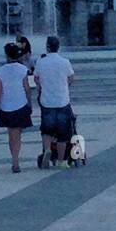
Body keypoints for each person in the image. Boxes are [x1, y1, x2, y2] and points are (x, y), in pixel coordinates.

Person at [34, 36, 75, 170]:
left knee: (47, 129)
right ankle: (61, 160)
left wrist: (41, 88)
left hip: (47, 101)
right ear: (58, 47)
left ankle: (47, 149)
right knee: (63, 133)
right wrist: (64, 86)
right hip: (62, 100)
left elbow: (36, 78)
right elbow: (71, 78)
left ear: (47, 47)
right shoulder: (65, 62)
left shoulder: (41, 62)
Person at [0, 42, 32, 174]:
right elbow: (27, 88)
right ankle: (16, 160)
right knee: (17, 134)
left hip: (6, 106)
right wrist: (29, 103)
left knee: (12, 134)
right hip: (20, 104)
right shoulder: (22, 69)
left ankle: (14, 160)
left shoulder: (1, 71)